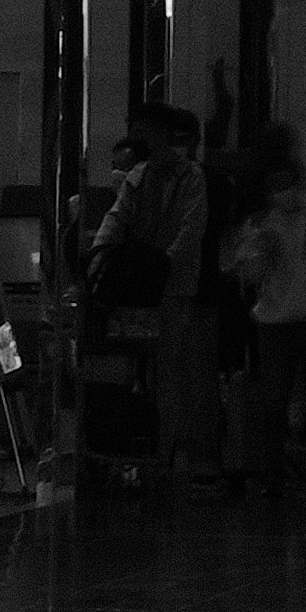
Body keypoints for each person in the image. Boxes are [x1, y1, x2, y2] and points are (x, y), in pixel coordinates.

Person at [82, 101, 217, 489]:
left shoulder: (189, 176)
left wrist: (160, 268)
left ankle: (165, 450)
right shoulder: (139, 176)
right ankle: (135, 444)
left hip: (170, 288)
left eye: (144, 132)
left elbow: (191, 230)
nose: (138, 139)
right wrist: (99, 260)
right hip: (138, 289)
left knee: (167, 371)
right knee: (135, 366)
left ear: (160, 133)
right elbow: (116, 218)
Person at [215, 141, 306, 492]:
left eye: (291, 184)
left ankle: (295, 444)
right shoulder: (262, 226)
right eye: (279, 186)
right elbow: (243, 272)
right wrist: (259, 257)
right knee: (275, 398)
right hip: (274, 321)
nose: (287, 193)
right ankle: (275, 469)